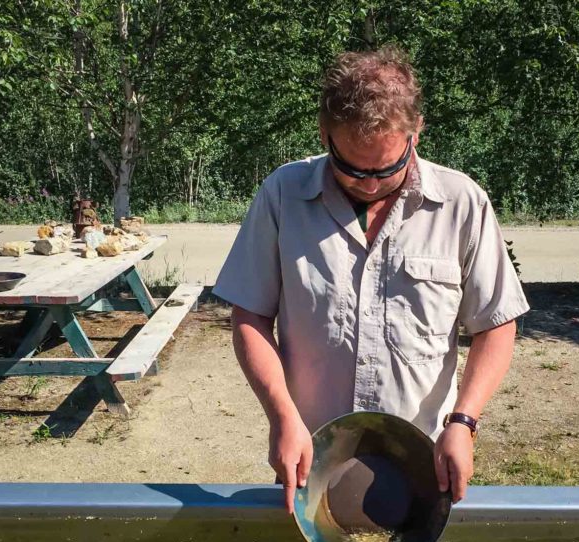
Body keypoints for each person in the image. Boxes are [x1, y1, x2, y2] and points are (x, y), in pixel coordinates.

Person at [212, 46, 529, 513]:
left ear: (415, 133)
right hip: (313, 460)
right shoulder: (283, 194)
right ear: (325, 134)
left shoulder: (463, 203)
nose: (370, 183)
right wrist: (281, 416)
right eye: (352, 167)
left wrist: (463, 422)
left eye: (386, 168)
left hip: (423, 462)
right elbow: (250, 313)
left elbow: (496, 324)